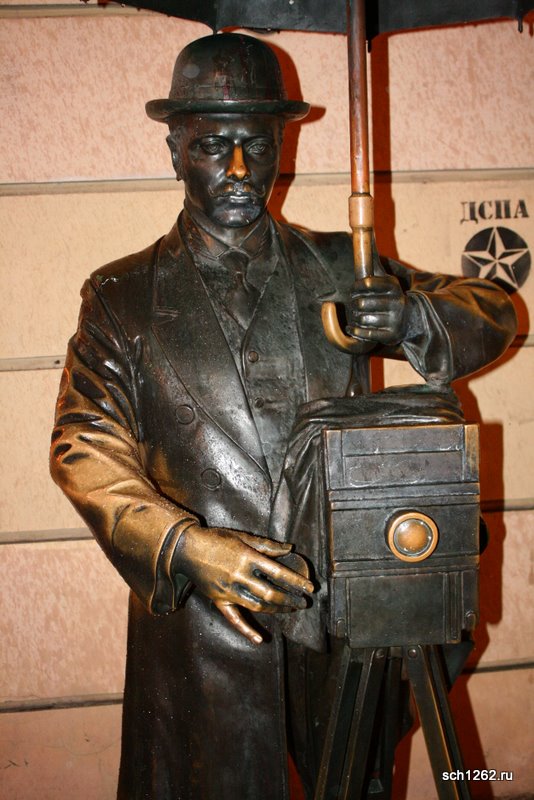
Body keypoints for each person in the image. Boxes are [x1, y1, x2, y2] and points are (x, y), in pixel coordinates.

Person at [50, 32, 517, 800]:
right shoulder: (122, 296)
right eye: (214, 146)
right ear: (174, 151)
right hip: (206, 624)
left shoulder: (341, 267)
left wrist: (409, 317)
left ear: (281, 148)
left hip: (339, 616)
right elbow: (84, 445)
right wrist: (185, 547)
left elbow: (495, 311)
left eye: (258, 145)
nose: (240, 169)